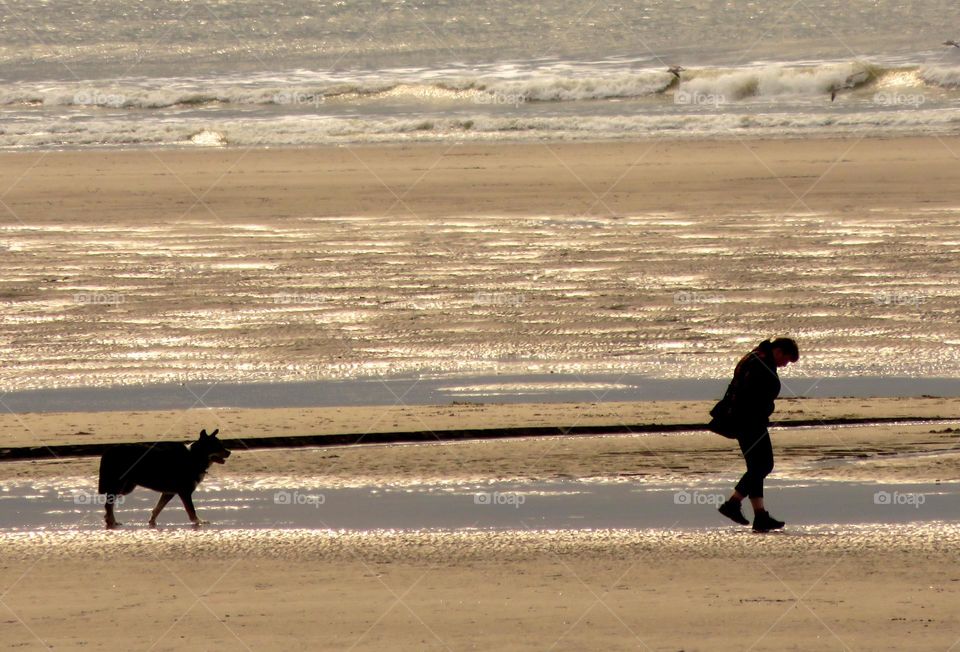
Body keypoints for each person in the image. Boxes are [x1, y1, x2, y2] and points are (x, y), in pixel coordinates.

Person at [712, 337, 799, 532]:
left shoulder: (755, 357)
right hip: (749, 421)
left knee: (755, 468)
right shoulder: (760, 364)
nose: (784, 365)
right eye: (786, 360)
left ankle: (760, 516)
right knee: (764, 465)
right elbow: (750, 395)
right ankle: (733, 504)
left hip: (743, 419)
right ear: (779, 351)